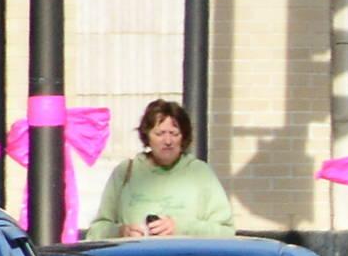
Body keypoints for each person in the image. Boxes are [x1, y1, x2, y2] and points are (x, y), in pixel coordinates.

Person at [86, 100, 240, 240]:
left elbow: (225, 232)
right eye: (159, 134)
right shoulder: (126, 171)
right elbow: (96, 231)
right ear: (147, 136)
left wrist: (181, 227)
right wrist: (121, 231)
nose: (168, 141)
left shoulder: (199, 173)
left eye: (174, 134)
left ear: (183, 137)